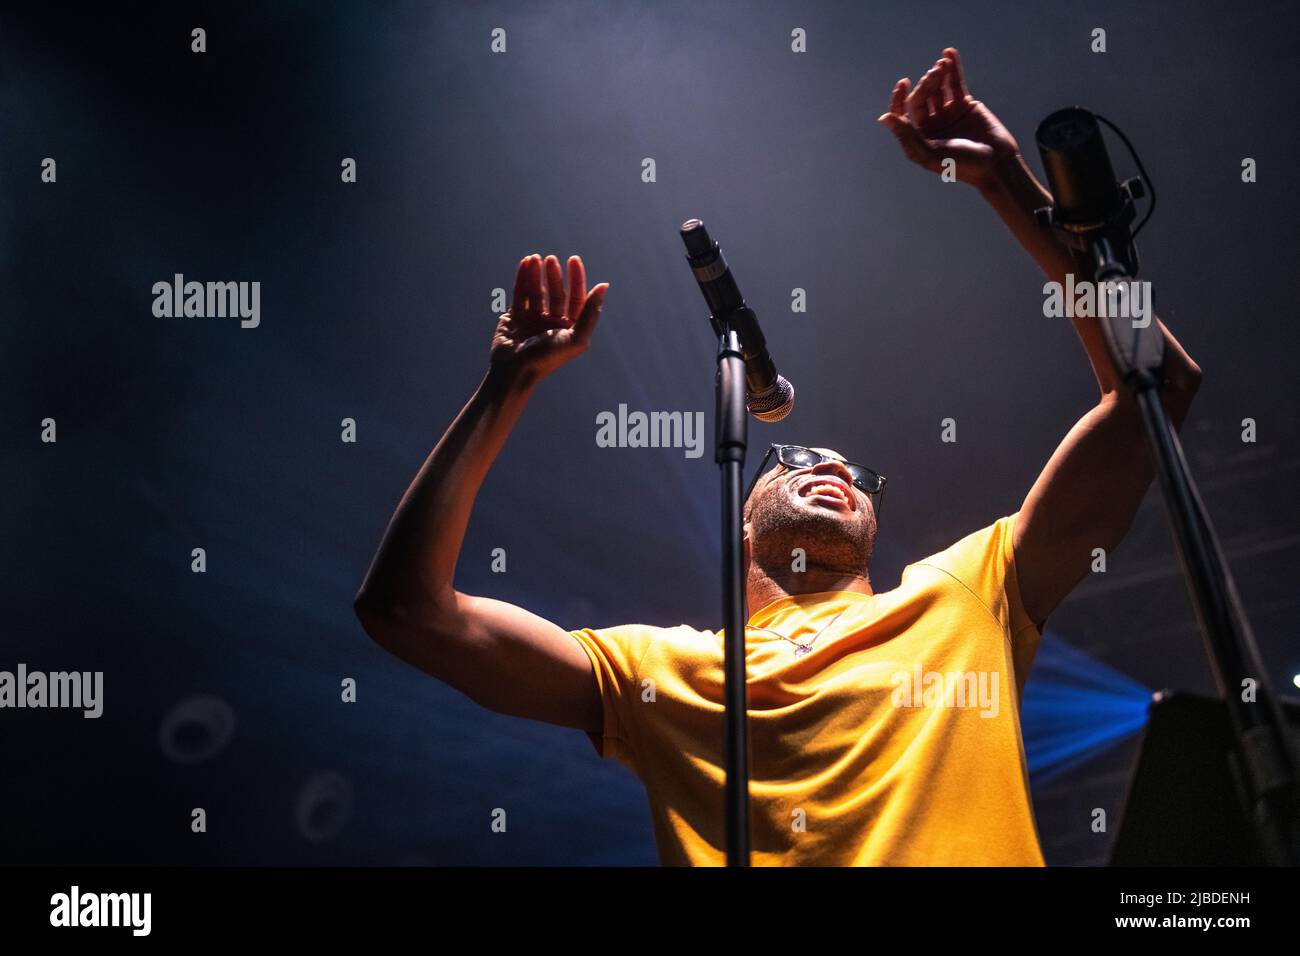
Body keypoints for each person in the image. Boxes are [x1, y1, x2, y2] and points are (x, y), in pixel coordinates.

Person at [354, 47, 1201, 866]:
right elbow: (407, 613)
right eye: (797, 456)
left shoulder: (965, 593)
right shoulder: (661, 672)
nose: (835, 471)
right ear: (746, 506)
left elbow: (1153, 392)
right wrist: (506, 386)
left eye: (859, 474)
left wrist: (1008, 186)